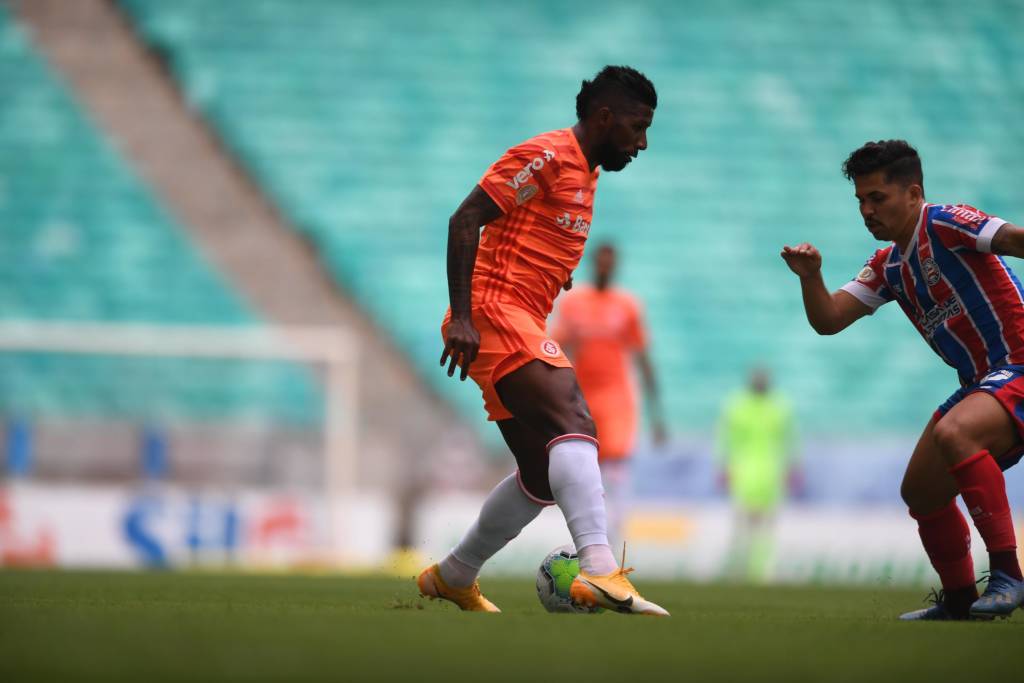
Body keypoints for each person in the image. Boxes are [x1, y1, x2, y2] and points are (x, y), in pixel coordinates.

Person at [417, 65, 668, 615]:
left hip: (518, 315)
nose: (642, 143)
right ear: (604, 118)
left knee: (539, 473)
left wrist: (554, 271)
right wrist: (463, 317)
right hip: (493, 310)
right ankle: (599, 569)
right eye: (637, 127)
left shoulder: (586, 174)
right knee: (574, 419)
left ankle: (454, 575)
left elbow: (528, 233)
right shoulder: (550, 155)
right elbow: (465, 219)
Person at [781, 139, 1024, 620]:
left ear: (913, 193)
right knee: (922, 492)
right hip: (983, 383)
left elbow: (1015, 240)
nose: (866, 211)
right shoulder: (888, 265)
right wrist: (811, 277)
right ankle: (960, 600)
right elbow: (829, 319)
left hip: (1019, 365)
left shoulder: (947, 222)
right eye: (860, 201)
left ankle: (1008, 574)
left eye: (877, 198)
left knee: (956, 432)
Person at [552, 242, 667, 547]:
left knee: (616, 466)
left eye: (610, 263)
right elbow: (557, 348)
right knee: (586, 467)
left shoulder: (627, 306)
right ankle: (589, 539)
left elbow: (642, 357)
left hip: (617, 398)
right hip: (583, 397)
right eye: (601, 262)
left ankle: (613, 541)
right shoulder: (574, 304)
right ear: (594, 263)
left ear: (615, 266)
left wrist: (657, 414)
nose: (605, 267)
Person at [716, 368, 797, 583]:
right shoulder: (738, 406)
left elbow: (789, 440)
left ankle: (759, 572)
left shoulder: (779, 407)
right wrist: (724, 466)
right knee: (743, 525)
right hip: (746, 472)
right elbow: (725, 438)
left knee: (764, 527)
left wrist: (791, 467)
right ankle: (738, 570)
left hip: (768, 473)